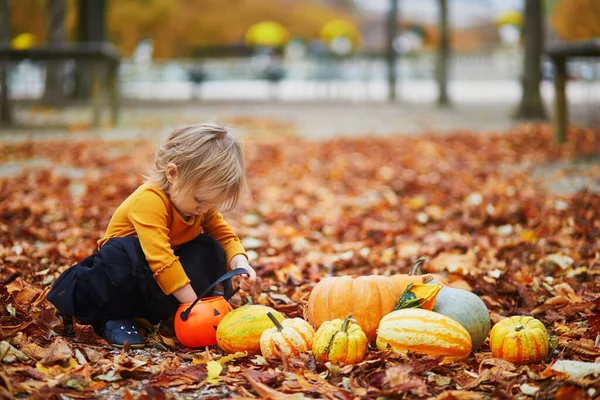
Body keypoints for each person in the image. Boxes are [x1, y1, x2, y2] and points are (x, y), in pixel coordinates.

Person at [48, 123, 257, 348]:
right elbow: (161, 259)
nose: (204, 209)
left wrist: (241, 263)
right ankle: (113, 319)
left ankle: (163, 312)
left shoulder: (199, 207)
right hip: (118, 281)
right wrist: (193, 306)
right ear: (173, 174)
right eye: (199, 200)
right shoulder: (149, 200)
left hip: (157, 282)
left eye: (211, 203)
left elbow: (225, 237)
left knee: (209, 247)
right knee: (126, 252)